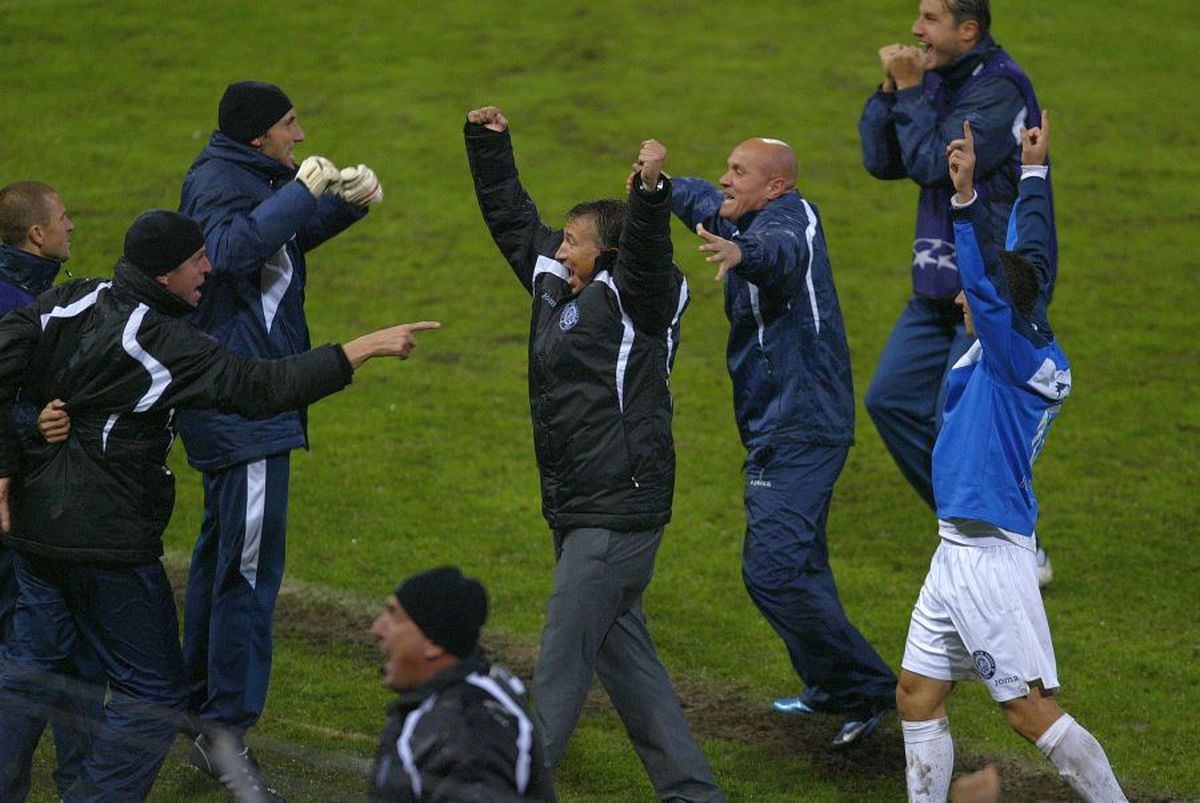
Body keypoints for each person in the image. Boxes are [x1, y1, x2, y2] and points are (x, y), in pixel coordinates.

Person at [0, 209, 437, 802]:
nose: (209, 267)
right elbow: (260, 388)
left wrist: (14, 451)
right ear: (164, 275)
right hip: (106, 542)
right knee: (152, 694)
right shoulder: (162, 341)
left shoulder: (69, 298)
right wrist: (361, 348)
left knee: (26, 674)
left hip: (32, 530)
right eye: (196, 261)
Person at [465, 106, 723, 801]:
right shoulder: (558, 286)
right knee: (628, 663)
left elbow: (646, 255)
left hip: (616, 513)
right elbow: (515, 223)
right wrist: (489, 147)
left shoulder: (640, 297)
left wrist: (647, 195)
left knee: (559, 665)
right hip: (581, 507)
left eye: (576, 242)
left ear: (606, 252)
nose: (562, 250)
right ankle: (693, 792)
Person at [897, 116, 1126, 802]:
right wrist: (1035, 171)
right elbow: (1034, 252)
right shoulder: (1031, 327)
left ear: (1000, 304)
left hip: (989, 556)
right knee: (915, 694)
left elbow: (991, 283)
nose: (962, 297)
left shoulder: (1010, 354)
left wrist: (963, 202)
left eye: (976, 292)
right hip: (955, 548)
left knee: (1025, 710)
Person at [176, 79, 386, 786]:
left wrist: (339, 207)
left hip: (241, 402)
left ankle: (198, 708)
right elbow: (230, 253)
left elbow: (277, 250)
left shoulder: (243, 173)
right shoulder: (217, 182)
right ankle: (224, 729)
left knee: (221, 558)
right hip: (246, 408)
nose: (300, 136)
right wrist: (300, 192)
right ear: (259, 132)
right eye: (290, 125)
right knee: (247, 573)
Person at [668, 139, 896, 748]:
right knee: (802, 566)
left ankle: (868, 688)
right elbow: (701, 198)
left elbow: (780, 258)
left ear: (775, 188)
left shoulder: (791, 222)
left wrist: (741, 253)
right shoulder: (740, 213)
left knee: (771, 570)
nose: (725, 179)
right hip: (776, 423)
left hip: (803, 424)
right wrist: (660, 182)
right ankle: (834, 687)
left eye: (738, 172)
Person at [858, 0, 1057, 586]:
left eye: (930, 19)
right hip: (939, 280)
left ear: (968, 30)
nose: (916, 29)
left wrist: (914, 88)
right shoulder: (944, 80)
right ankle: (969, 523)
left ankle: (1012, 540)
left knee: (965, 419)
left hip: (990, 290)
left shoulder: (999, 91)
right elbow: (881, 161)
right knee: (889, 400)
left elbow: (932, 164)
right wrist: (890, 90)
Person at [0, 181, 107, 799]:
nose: (73, 226)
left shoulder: (35, 293)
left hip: (29, 494)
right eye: (64, 218)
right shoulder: (17, 304)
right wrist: (32, 426)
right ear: (36, 234)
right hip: (22, 501)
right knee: (44, 654)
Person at [369, 566, 555, 801]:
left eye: (394, 617)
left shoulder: (465, 734)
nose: (377, 628)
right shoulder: (450, 700)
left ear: (433, 643)